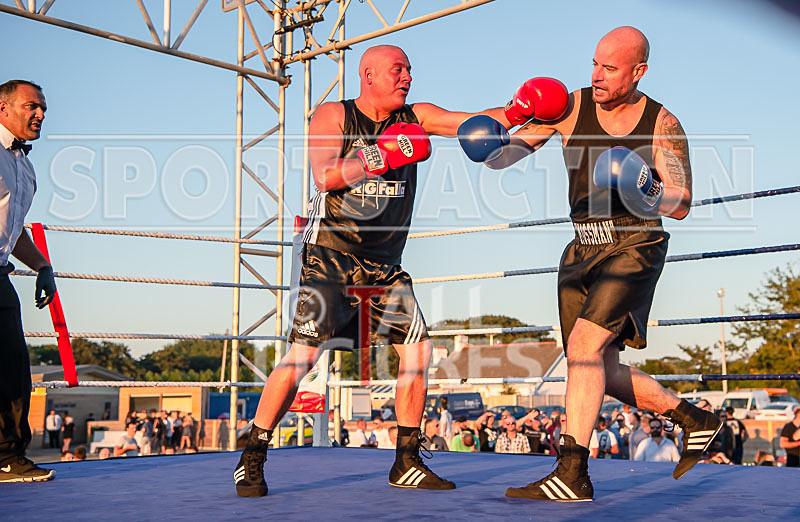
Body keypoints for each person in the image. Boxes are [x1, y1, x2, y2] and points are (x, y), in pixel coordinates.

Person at [233, 44, 510, 497]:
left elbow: (469, 121)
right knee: (302, 358)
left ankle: (406, 460)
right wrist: (382, 155)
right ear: (369, 75)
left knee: (418, 353)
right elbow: (324, 175)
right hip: (331, 253)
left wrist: (523, 109)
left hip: (384, 265)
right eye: (398, 70)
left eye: (409, 69)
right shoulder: (333, 115)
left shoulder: (415, 118)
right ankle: (253, 455)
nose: (407, 77)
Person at [459, 27, 721, 501]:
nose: (597, 76)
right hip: (582, 247)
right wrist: (497, 139)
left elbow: (682, 201)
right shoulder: (571, 105)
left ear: (638, 71)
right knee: (599, 368)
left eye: (610, 68)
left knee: (583, 348)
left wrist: (647, 188)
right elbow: (508, 156)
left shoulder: (663, 122)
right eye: (595, 64)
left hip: (634, 243)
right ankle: (696, 419)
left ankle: (573, 472)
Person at [0, 80, 57, 484]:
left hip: (1, 273)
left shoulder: (25, 167)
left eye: (43, 109)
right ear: (3, 108)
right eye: (31, 106)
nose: (39, 114)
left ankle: (7, 458)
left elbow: (13, 229)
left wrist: (42, 267)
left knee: (14, 369)